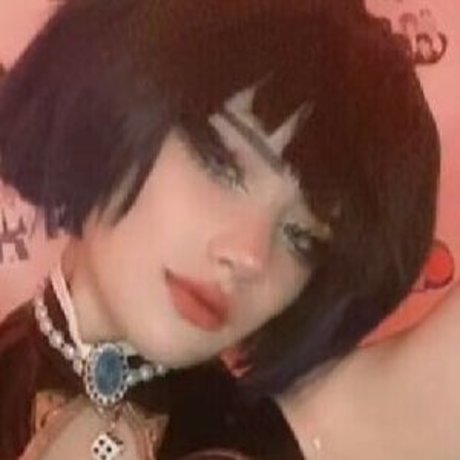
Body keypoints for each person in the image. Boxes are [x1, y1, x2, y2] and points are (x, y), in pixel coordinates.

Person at [0, 0, 439, 459]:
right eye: (221, 163)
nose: (250, 255)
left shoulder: (290, 432)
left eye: (303, 237)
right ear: (113, 101)